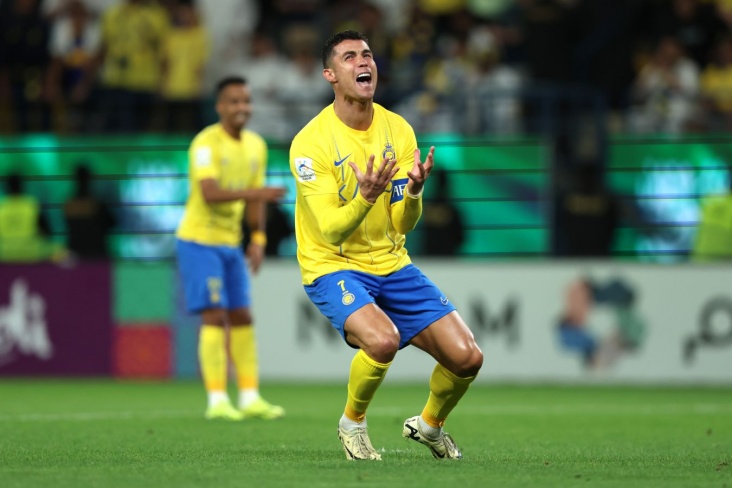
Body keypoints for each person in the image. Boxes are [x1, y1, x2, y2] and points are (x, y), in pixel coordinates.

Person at [289, 30, 483, 461]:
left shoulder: (397, 129)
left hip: (392, 263)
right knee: (382, 341)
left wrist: (413, 192)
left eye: (368, 55)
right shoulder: (310, 143)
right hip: (332, 264)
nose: (363, 62)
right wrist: (365, 197)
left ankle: (429, 425)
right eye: (349, 57)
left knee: (467, 357)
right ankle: (352, 424)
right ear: (330, 75)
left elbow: (403, 223)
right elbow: (331, 229)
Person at [175, 76, 287, 421]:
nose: (242, 107)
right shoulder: (205, 143)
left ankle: (250, 397)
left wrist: (258, 238)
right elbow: (210, 193)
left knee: (242, 316)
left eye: (246, 101)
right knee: (214, 315)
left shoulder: (256, 145)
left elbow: (255, 201)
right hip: (199, 242)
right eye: (234, 101)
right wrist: (257, 194)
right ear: (220, 106)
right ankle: (217, 400)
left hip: (230, 244)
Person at [62, 164, 116, 260]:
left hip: (77, 255)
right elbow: (111, 223)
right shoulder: (96, 204)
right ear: (90, 179)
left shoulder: (69, 204)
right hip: (96, 255)